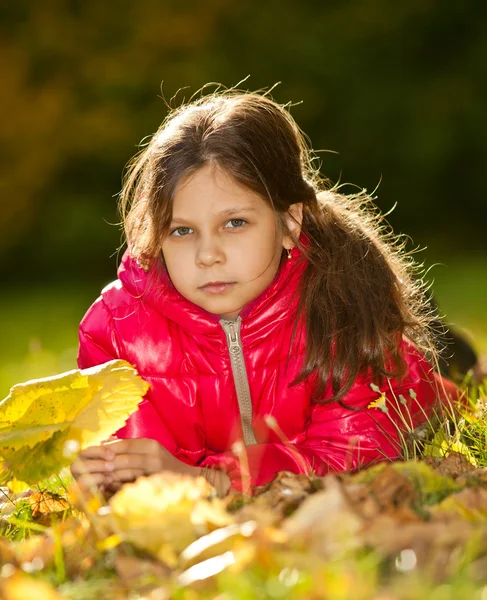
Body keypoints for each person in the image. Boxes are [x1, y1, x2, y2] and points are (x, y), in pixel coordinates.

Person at [72, 90, 459, 497]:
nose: (208, 255)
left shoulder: (341, 307)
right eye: (182, 230)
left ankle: (450, 353)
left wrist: (211, 479)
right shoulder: (114, 332)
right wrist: (108, 476)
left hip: (417, 388)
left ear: (290, 223)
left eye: (235, 223)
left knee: (446, 359)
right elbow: (141, 478)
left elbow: (355, 455)